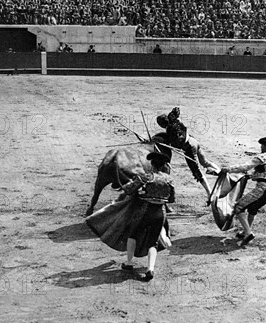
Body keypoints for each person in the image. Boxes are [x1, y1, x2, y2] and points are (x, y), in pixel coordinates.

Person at [86, 151, 175, 282]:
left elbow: (128, 190)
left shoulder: (146, 177)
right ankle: (150, 269)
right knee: (153, 242)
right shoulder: (169, 180)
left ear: (152, 165)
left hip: (144, 211)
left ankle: (129, 262)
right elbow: (171, 199)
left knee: (133, 235)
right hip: (159, 213)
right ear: (162, 166)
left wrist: (138, 190)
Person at [221, 137, 266, 246]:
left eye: (262, 146)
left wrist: (228, 169)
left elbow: (245, 167)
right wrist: (252, 176)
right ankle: (245, 231)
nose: (261, 147)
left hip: (262, 188)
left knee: (238, 207)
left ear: (264, 146)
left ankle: (248, 233)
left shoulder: (262, 157)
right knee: (253, 207)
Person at [157, 108, 219, 200]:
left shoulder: (169, 131)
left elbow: (175, 144)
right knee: (205, 162)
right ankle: (221, 171)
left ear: (161, 125)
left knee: (197, 172)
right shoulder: (177, 122)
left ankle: (210, 193)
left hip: (189, 148)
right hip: (193, 141)